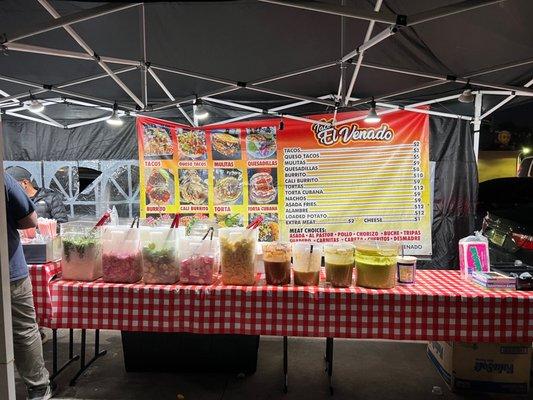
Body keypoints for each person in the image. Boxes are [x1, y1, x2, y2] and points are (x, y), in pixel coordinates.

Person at [4, 172, 54, 399]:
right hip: (8, 269)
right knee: (23, 330)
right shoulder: (4, 179)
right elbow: (29, 221)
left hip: (10, 269)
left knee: (23, 330)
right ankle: (38, 388)